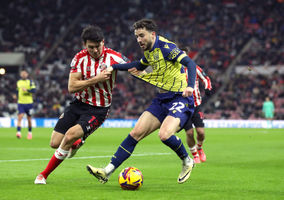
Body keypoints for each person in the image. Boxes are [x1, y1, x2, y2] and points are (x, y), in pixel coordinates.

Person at [87, 18, 197, 184]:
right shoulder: (149, 52)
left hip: (180, 98)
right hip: (162, 100)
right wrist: (114, 67)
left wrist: (190, 86)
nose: (139, 40)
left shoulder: (167, 48)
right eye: (137, 36)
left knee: (165, 135)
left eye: (141, 36)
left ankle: (187, 160)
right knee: (135, 133)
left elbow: (190, 63)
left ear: (152, 34)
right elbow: (139, 65)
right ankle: (107, 171)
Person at [34, 25, 128, 184]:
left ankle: (43, 175)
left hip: (99, 109)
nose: (95, 50)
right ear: (85, 45)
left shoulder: (114, 57)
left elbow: (135, 68)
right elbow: (72, 87)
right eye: (91, 47)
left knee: (69, 135)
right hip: (78, 104)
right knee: (55, 143)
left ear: (103, 43)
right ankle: (78, 142)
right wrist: (96, 79)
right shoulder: (79, 58)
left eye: (98, 46)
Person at [182, 52, 212, 163]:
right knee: (189, 133)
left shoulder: (194, 68)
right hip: (183, 108)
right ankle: (195, 155)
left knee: (201, 132)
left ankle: (199, 148)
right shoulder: (175, 70)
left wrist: (208, 88)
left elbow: (205, 79)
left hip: (195, 106)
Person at [15, 69, 36, 139]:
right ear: (21, 75)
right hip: (21, 103)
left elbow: (34, 90)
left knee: (29, 119)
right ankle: (18, 133)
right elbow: (17, 90)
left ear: (27, 74)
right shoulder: (18, 82)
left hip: (29, 103)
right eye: (22, 73)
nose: (23, 75)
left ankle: (29, 133)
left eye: (25, 73)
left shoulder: (30, 82)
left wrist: (27, 90)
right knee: (19, 117)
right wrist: (15, 96)